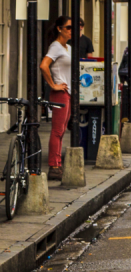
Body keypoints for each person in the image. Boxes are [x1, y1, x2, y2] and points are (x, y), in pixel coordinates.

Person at [40, 16, 72, 181]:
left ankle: (57, 164)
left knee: (62, 131)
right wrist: (53, 85)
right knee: (57, 130)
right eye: (68, 27)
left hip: (67, 94)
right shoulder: (56, 46)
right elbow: (43, 65)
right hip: (60, 93)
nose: (71, 30)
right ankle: (54, 166)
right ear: (59, 29)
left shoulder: (67, 48)